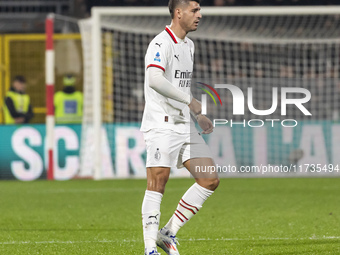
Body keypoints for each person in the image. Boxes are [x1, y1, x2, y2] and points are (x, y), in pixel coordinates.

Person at [140, 1, 219, 254]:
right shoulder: (161, 43)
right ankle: (150, 248)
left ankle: (168, 233)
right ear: (179, 13)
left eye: (199, 10)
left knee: (209, 179)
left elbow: (180, 87)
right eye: (195, 10)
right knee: (158, 182)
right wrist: (191, 101)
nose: (200, 15)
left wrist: (197, 114)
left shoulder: (189, 45)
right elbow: (154, 79)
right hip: (161, 124)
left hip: (184, 124)